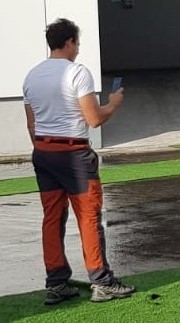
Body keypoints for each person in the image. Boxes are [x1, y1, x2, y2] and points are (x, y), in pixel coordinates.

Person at [22, 18, 135, 305]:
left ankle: (56, 283)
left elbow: (32, 126)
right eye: (78, 43)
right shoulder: (77, 73)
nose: (79, 49)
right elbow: (94, 119)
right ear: (69, 42)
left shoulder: (31, 76)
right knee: (88, 217)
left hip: (44, 152)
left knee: (52, 218)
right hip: (74, 155)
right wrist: (114, 104)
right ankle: (101, 281)